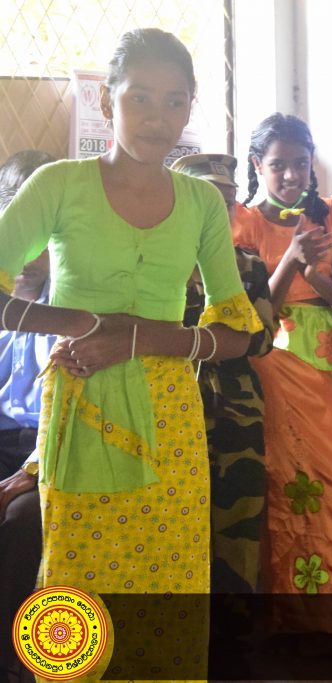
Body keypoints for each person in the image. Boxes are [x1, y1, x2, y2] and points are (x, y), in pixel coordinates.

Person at [0, 28, 262, 679]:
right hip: (83, 405)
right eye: (139, 96)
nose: (156, 117)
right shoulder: (60, 185)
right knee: (78, 579)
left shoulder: (201, 203)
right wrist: (85, 323)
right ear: (107, 100)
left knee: (167, 581)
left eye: (174, 101)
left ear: (190, 108)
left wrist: (138, 337)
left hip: (171, 417)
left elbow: (237, 331)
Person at [232, 114, 332, 632]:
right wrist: (289, 260)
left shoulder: (331, 216)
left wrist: (313, 273)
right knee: (280, 484)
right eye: (278, 165)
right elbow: (247, 313)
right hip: (269, 365)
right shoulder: (242, 224)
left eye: (300, 164)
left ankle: (323, 616)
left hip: (319, 369)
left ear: (312, 165)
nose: (290, 175)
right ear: (257, 165)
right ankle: (283, 617)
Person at [171, 152, 277, 593]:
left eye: (228, 201)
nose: (221, 209)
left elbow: (263, 339)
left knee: (240, 531)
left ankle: (237, 627)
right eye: (208, 199)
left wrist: (210, 337)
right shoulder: (161, 267)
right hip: (174, 410)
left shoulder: (249, 266)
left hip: (238, 412)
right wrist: (222, 335)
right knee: (177, 525)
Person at [0, 150, 56, 683]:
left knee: (22, 522)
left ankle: (15, 665)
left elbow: (74, 402)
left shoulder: (75, 302)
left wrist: (30, 471)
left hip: (51, 447)